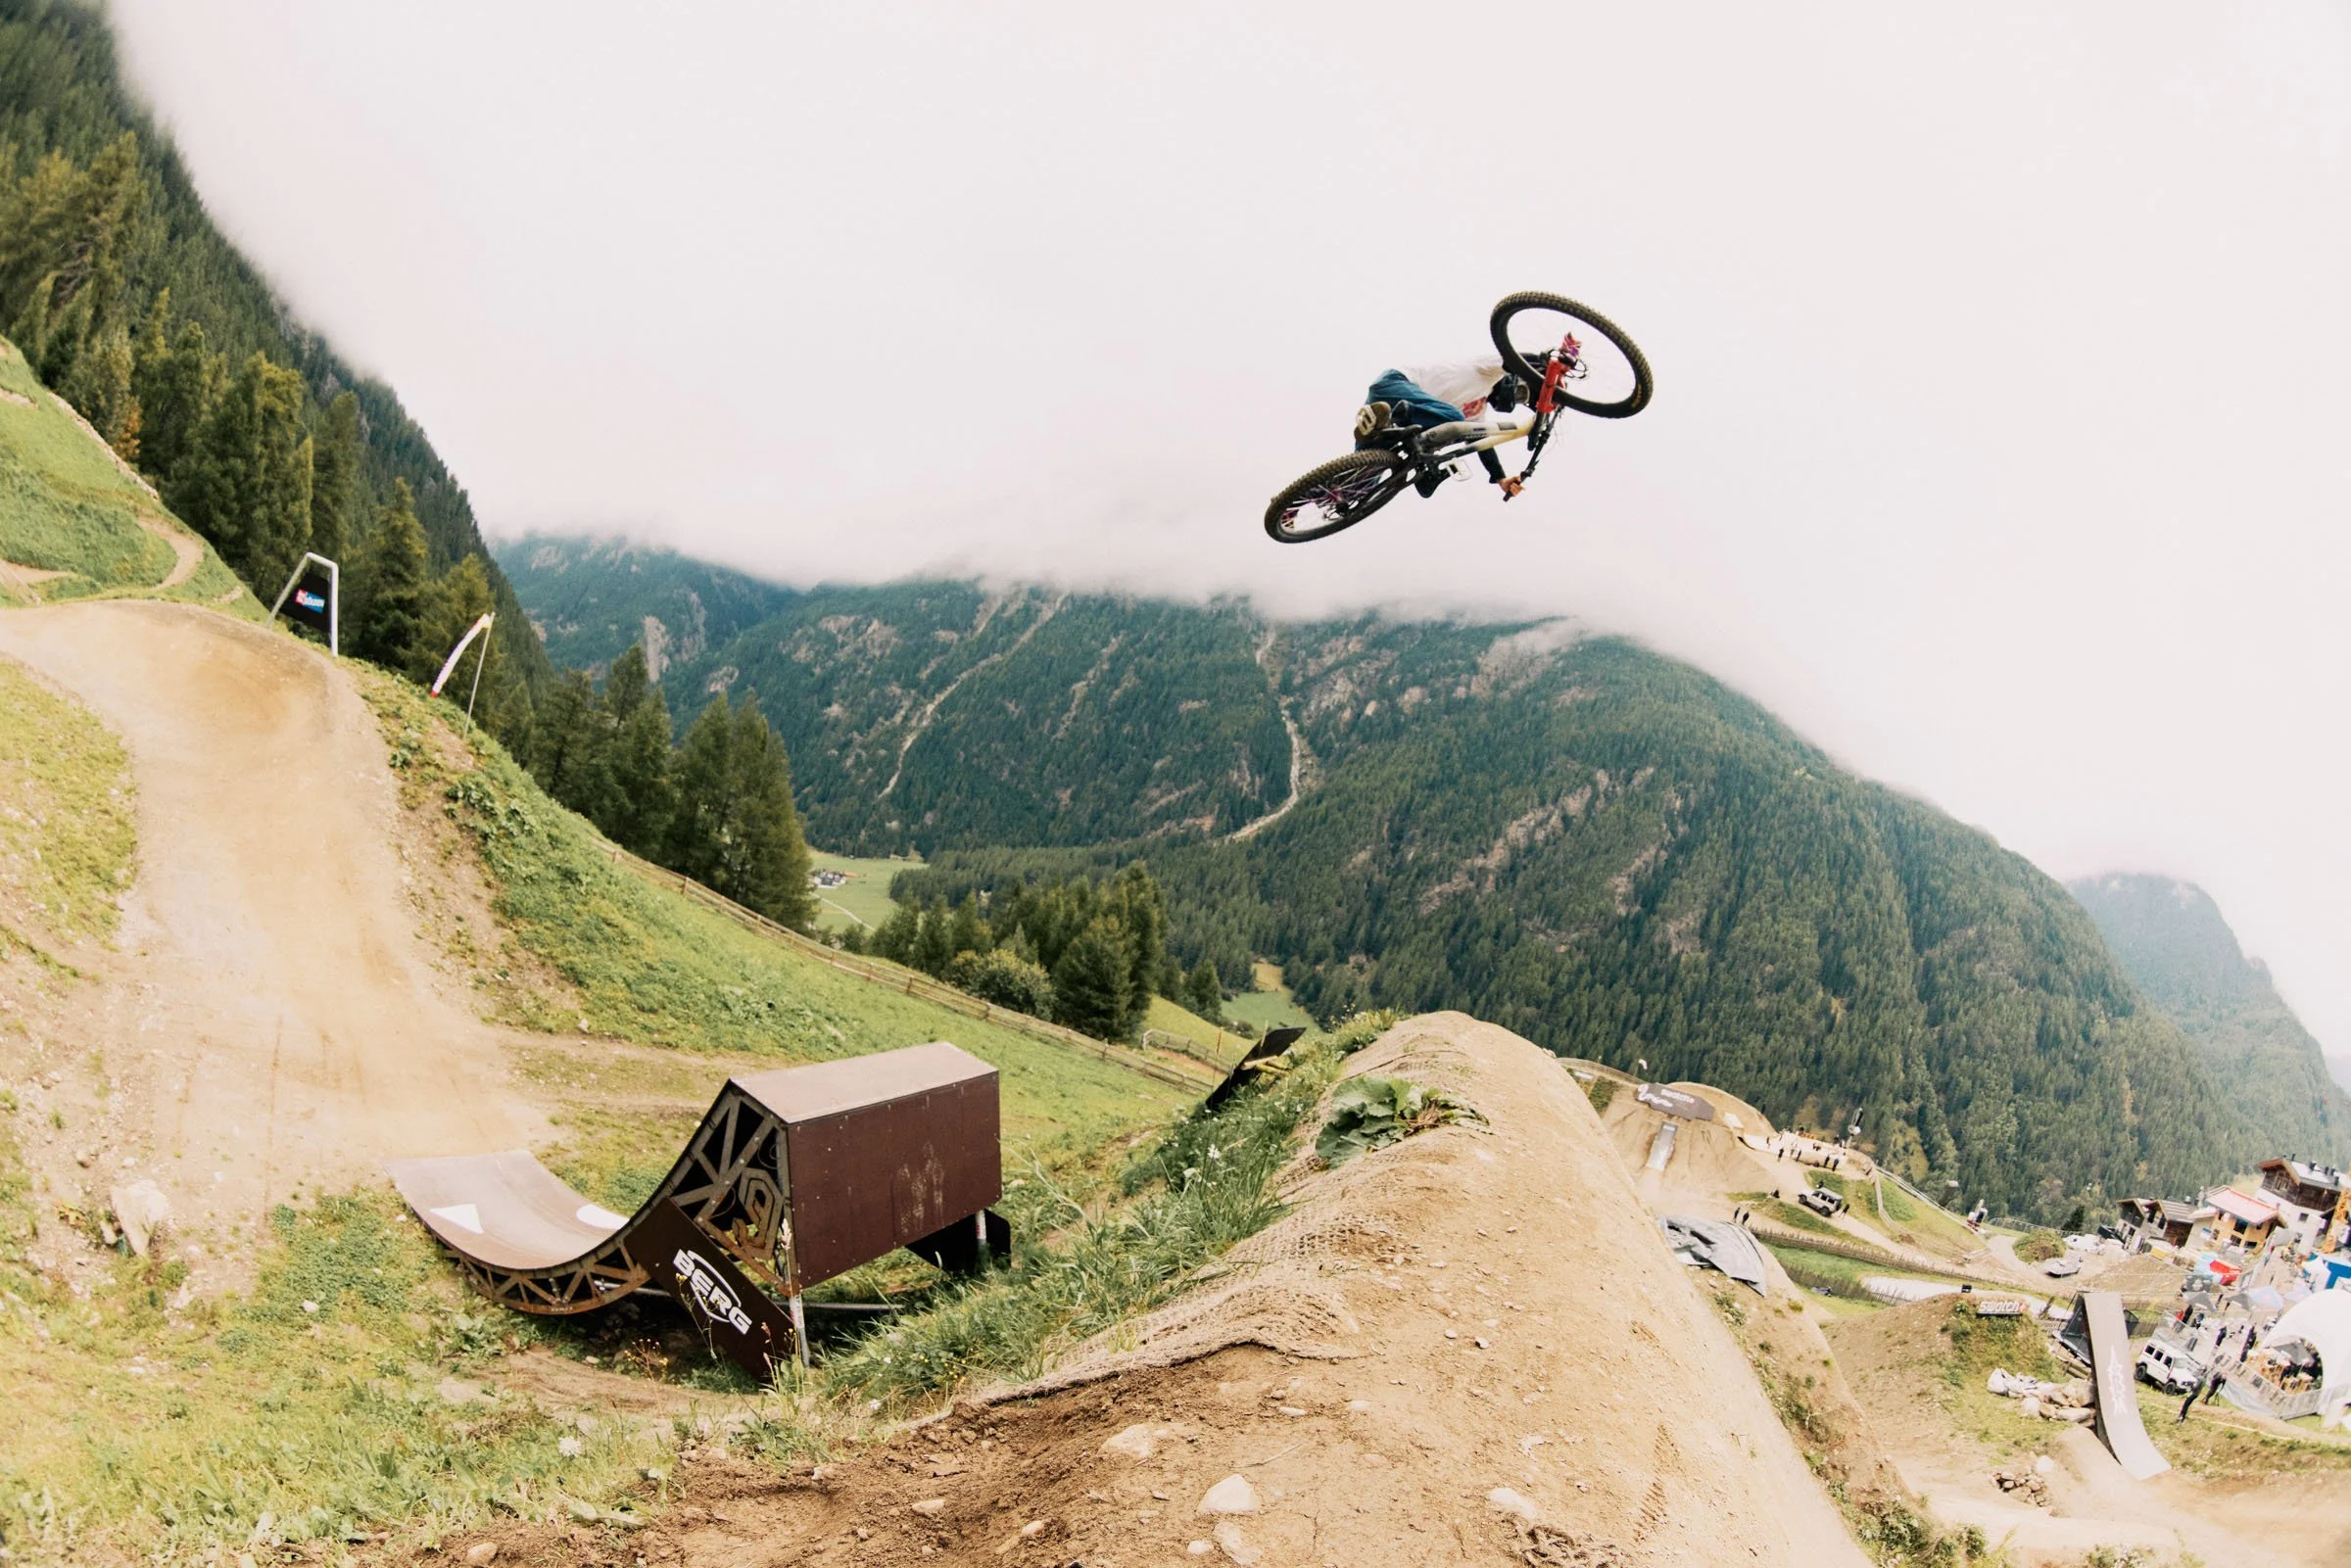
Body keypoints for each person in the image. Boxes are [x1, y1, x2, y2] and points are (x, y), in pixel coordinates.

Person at [1357, 357, 1527, 499]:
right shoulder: (1489, 373)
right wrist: (1546, 361)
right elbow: (1513, 358)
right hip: (1396, 383)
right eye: (1519, 393)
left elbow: (1484, 444)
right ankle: (1402, 413)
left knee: (1361, 484)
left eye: (1521, 399)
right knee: (1455, 421)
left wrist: (1501, 479)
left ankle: (1339, 492)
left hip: (1386, 411)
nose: (1517, 398)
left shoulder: (1477, 412)